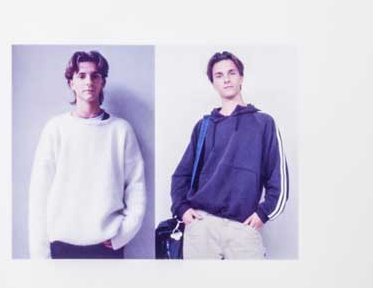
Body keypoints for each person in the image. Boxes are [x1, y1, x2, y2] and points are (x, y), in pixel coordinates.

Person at [27, 49, 146, 259]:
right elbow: (39, 194)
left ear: (102, 82)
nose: (88, 82)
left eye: (95, 76)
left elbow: (136, 187)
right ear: (71, 83)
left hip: (107, 245)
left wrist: (122, 235)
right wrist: (40, 255)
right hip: (62, 245)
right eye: (81, 76)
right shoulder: (55, 129)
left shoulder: (121, 130)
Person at [169, 50, 287, 260]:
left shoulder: (264, 123)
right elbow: (181, 175)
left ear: (241, 77)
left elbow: (278, 179)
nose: (226, 79)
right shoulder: (204, 126)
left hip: (243, 229)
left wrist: (263, 214)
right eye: (219, 75)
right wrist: (182, 209)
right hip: (202, 227)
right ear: (213, 83)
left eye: (231, 73)